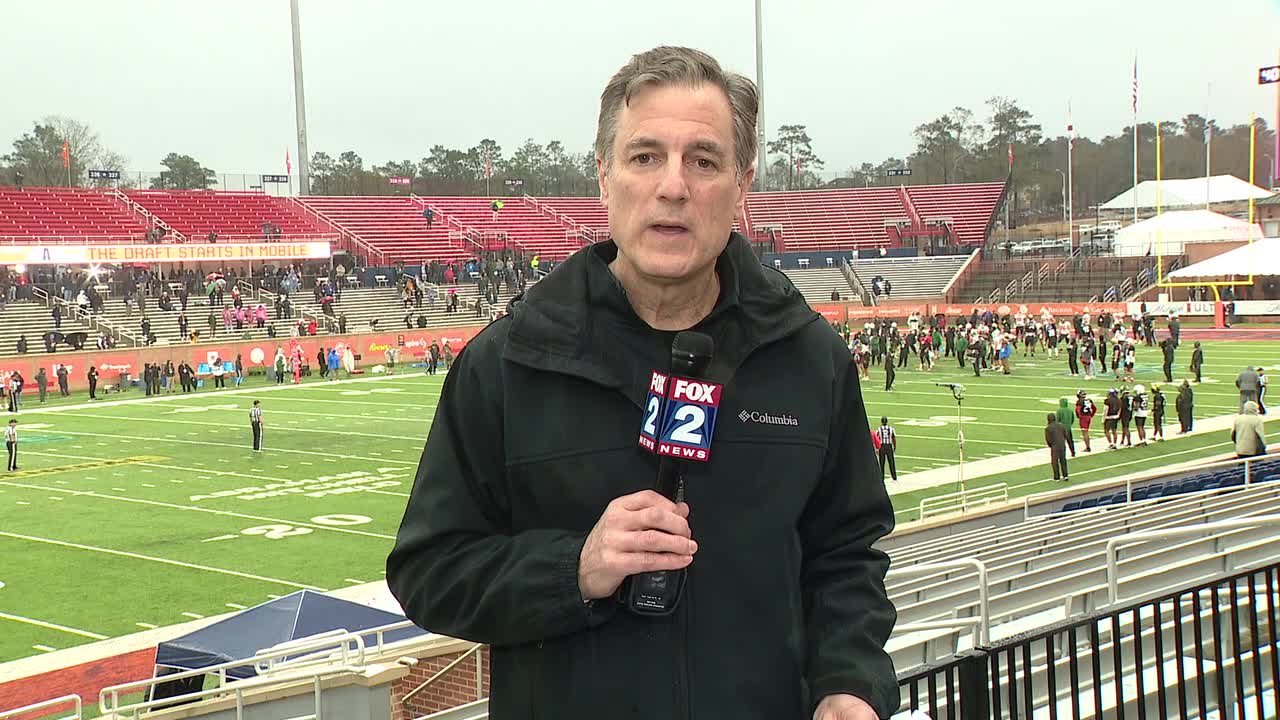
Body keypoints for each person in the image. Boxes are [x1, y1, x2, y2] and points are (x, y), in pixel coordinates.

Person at [387, 47, 897, 720]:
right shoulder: (507, 366)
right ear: (604, 177)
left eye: (704, 161)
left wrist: (850, 681)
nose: (674, 186)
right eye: (645, 156)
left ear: (741, 187)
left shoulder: (810, 359)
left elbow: (846, 556)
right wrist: (573, 569)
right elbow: (430, 571)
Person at [1045, 412, 1069, 481]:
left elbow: (1048, 439)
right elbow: (1065, 434)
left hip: (1054, 446)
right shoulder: (1061, 425)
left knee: (1055, 461)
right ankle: (1065, 475)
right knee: (1063, 460)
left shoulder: (1048, 428)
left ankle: (1057, 476)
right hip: (1062, 444)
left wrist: (1051, 445)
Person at [874, 416, 897, 482]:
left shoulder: (879, 429)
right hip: (889, 446)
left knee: (882, 463)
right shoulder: (891, 428)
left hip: (882, 446)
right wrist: (894, 446)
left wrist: (877, 448)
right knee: (891, 462)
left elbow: (876, 438)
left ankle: (881, 477)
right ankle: (894, 477)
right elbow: (894, 438)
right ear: (887, 421)